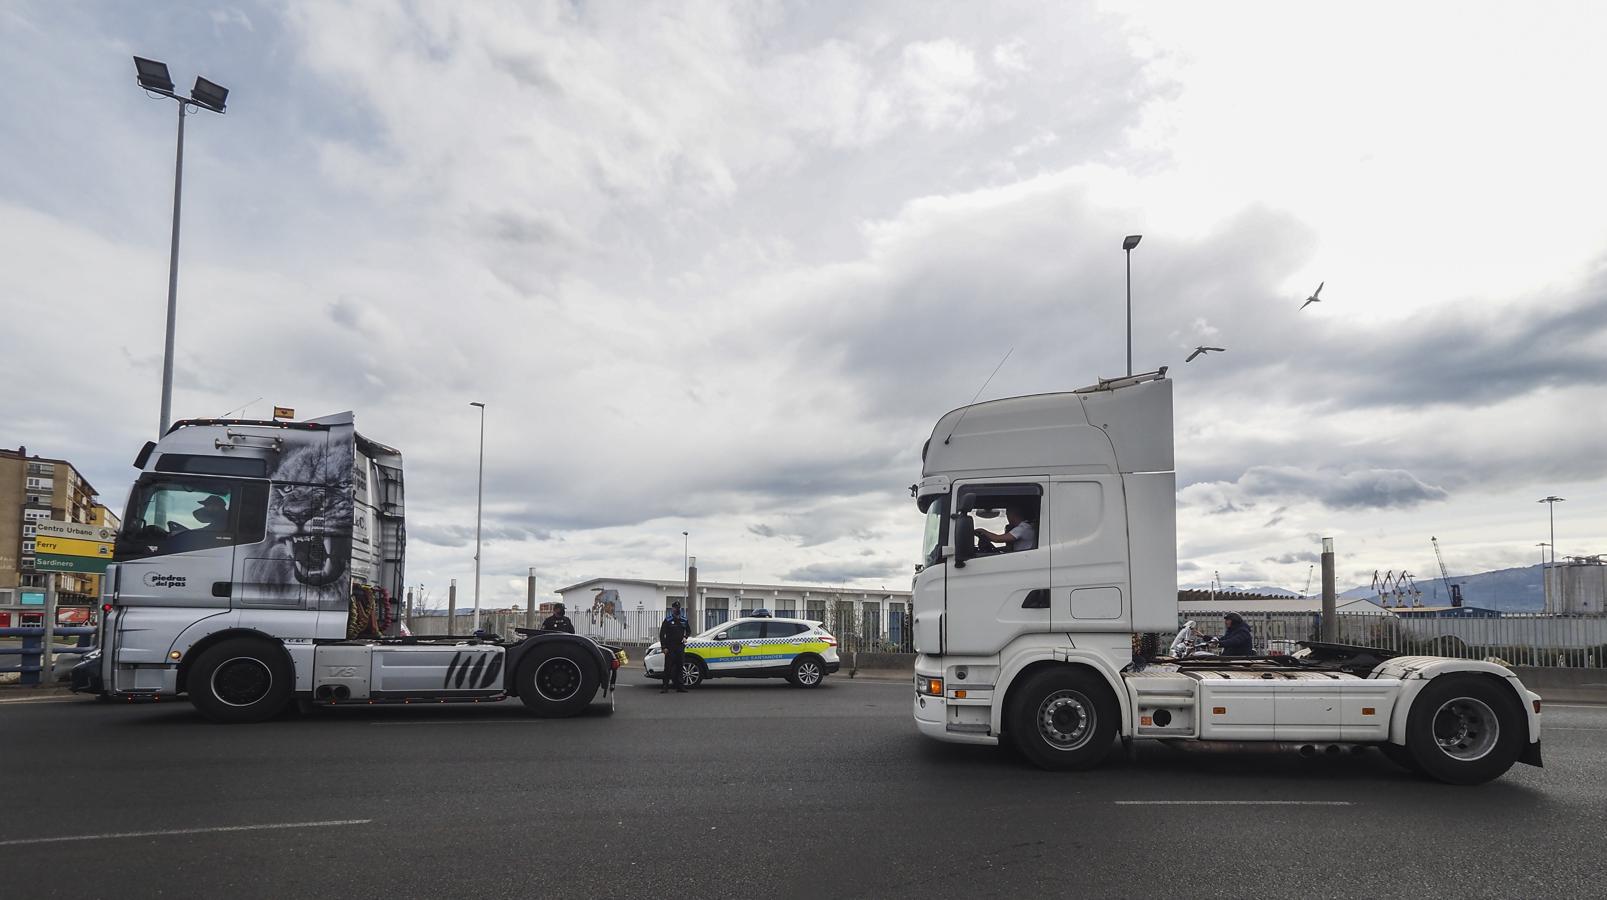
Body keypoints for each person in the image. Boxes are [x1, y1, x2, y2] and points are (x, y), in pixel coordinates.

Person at [659, 601, 692, 693]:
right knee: (668, 668)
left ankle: (680, 686)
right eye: (675, 608)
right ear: (672, 609)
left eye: (678, 608)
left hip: (680, 647)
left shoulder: (684, 620)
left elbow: (688, 631)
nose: (676, 609)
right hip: (670, 647)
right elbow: (662, 634)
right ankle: (665, 687)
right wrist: (663, 647)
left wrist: (685, 637)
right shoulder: (668, 620)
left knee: (680, 667)